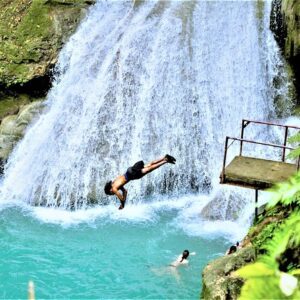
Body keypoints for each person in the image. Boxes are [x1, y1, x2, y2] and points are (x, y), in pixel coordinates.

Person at [104, 154, 176, 209]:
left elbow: (121, 197)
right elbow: (125, 192)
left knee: (149, 169)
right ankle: (164, 158)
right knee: (149, 164)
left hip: (132, 174)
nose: (113, 193)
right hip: (130, 170)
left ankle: (165, 161)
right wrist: (124, 201)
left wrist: (122, 204)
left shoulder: (114, 189)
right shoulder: (115, 182)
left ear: (110, 190)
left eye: (111, 193)